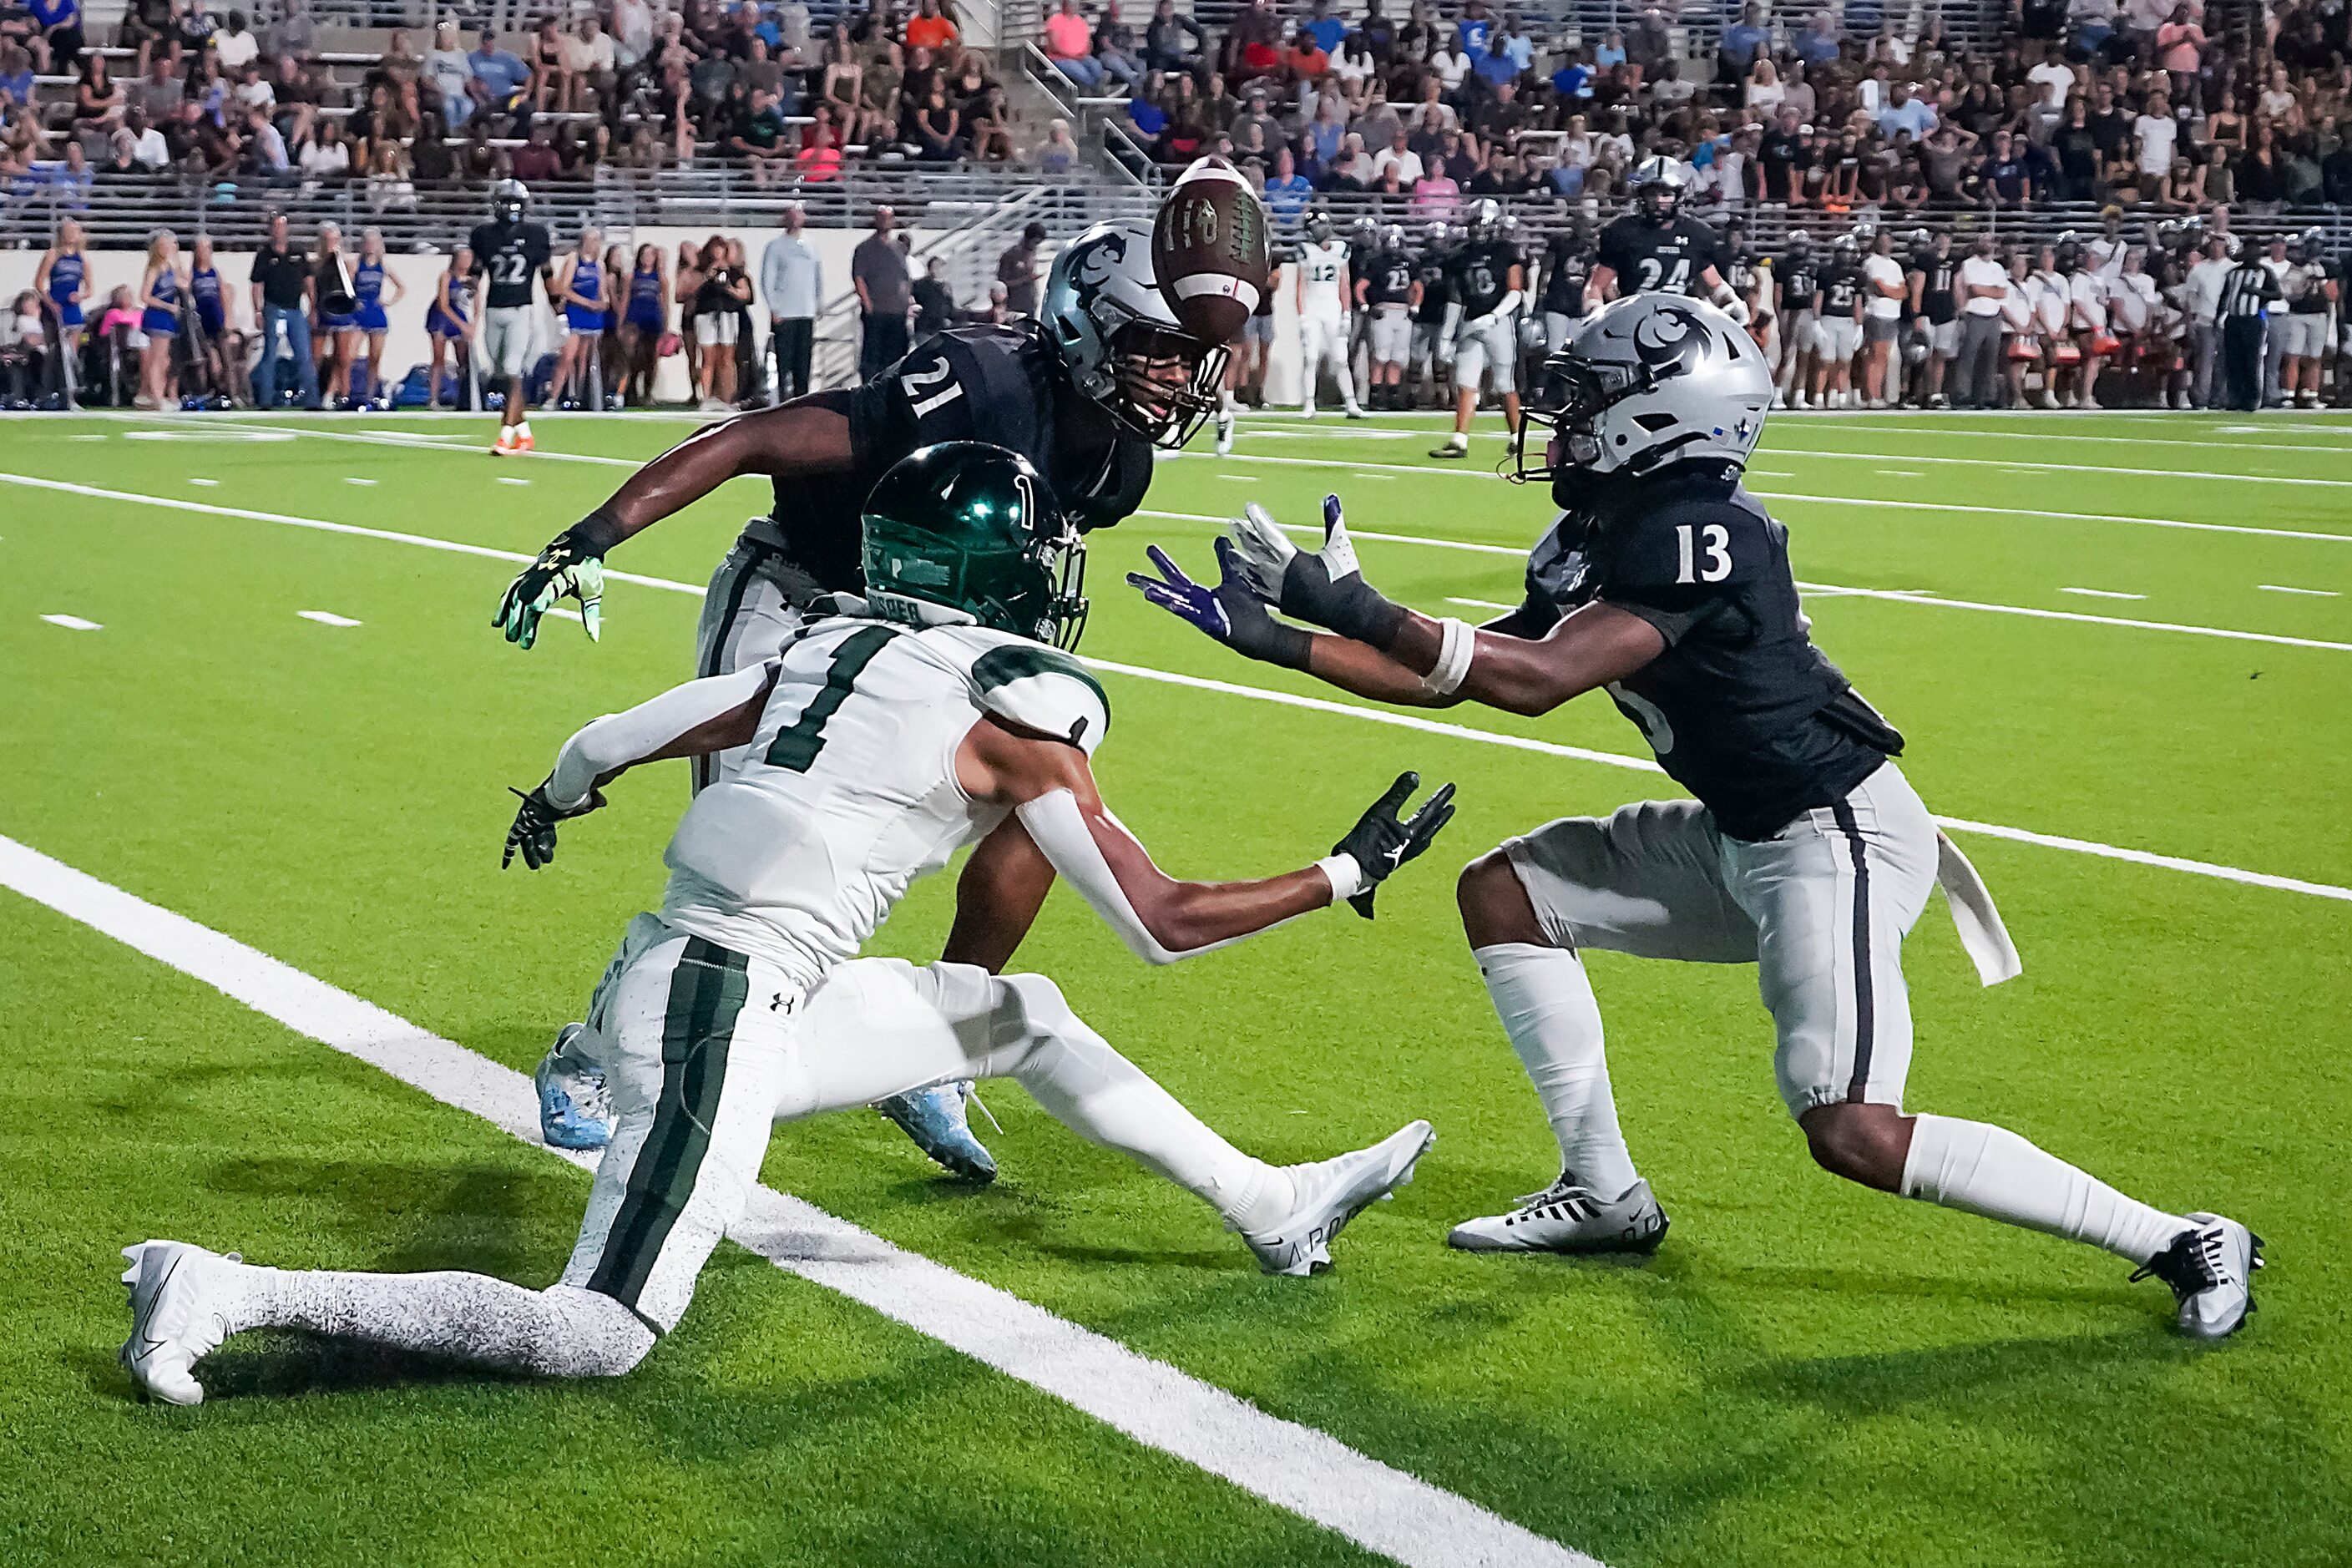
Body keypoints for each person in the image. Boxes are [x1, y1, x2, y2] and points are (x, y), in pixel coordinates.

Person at [118, 442, 1449, 1408]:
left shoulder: (828, 643)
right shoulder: (1013, 714)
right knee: (601, 1331)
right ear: (998, 569)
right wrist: (1341, 870)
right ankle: (227, 1289)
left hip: (722, 977)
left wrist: (557, 797)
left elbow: (607, 737)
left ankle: (1273, 1205)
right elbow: (1161, 921)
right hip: (719, 1009)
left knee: (1018, 1016)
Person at [1130, 293, 2263, 1342]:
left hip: (1834, 834)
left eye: (1585, 397)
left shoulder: (1702, 526)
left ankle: (2179, 1234)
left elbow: (1541, 678)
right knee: (1506, 891)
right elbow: (1465, 672)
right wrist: (1280, 637)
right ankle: (1604, 1193)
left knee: (1852, 1128)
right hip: (1739, 833)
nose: (1557, 418)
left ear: (1658, 414)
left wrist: (1364, 605)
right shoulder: (1593, 533)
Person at [488, 218, 1233, 1181]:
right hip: (800, 591)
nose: (1177, 379)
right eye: (1158, 352)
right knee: (748, 861)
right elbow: (754, 438)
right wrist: (590, 538)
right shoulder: (980, 382)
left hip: (930, 632)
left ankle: (941, 1038)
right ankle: (588, 1058)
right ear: (1088, 329)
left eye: (1187, 359)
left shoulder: (1118, 466)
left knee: (1036, 806)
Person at [1429, 200, 1523, 459]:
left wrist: (1494, 315)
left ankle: (1517, 438)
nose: (1477, 230)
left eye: (1481, 225)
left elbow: (1515, 291)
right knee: (1465, 383)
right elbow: (1455, 299)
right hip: (1471, 322)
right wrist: (1447, 336)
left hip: (1498, 323)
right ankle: (1459, 440)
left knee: (1505, 383)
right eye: (1472, 225)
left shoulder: (1507, 250)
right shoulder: (1459, 256)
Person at [469, 179, 554, 454]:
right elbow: (477, 269)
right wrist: (467, 293)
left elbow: (547, 274)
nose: (511, 207)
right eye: (506, 202)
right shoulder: (483, 234)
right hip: (494, 309)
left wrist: (560, 311)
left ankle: (505, 435)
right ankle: (524, 433)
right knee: (500, 373)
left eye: (515, 202)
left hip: (521, 308)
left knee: (513, 370)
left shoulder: (536, 234)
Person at [1293, 210, 1362, 421]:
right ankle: (1309, 403)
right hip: (1313, 307)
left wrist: (1347, 313)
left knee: (1341, 358)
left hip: (1333, 307)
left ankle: (1351, 403)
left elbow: (1344, 284)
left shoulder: (1341, 249)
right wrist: (1303, 315)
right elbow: (1300, 286)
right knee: (1311, 357)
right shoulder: (1305, 251)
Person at [250, 211, 321, 411]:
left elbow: (309, 282)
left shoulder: (298, 252)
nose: (279, 230)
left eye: (282, 226)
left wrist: (313, 307)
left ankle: (312, 400)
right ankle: (265, 400)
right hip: (274, 310)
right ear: (271, 230)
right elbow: (256, 284)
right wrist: (257, 311)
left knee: (304, 356)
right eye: (276, 226)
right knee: (270, 355)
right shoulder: (264, 255)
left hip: (295, 310)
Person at [1357, 224, 1419, 412]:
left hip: (1402, 312)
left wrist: (1415, 305)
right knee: (1380, 356)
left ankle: (1392, 396)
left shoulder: (1410, 262)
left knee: (1398, 357)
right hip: (1383, 310)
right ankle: (1375, 396)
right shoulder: (1376, 262)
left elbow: (1418, 286)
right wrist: (1366, 306)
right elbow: (1361, 287)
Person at [760, 204, 818, 401]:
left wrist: (818, 303)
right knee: (785, 362)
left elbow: (818, 277)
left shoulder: (811, 245)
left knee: (804, 362)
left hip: (806, 312)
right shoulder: (775, 246)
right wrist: (774, 308)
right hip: (785, 313)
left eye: (799, 214)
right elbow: (767, 279)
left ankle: (803, 400)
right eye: (792, 214)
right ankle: (784, 401)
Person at [2214, 242, 2278, 412]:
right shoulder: (2233, 272)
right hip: (2233, 320)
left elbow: (2277, 294)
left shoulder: (2264, 272)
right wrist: (2218, 317)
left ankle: (2251, 398)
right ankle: (2235, 396)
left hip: (2252, 320)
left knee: (2251, 360)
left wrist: (2256, 292)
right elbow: (2224, 296)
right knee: (2233, 361)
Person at [852, 205, 913, 382]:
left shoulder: (899, 248)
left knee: (896, 359)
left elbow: (904, 277)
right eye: (882, 217)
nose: (886, 221)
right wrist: (868, 304)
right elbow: (859, 277)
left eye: (889, 217)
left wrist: (906, 302)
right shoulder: (865, 248)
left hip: (897, 313)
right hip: (877, 312)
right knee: (873, 359)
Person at [549, 225, 607, 408]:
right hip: (576, 312)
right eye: (590, 240)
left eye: (596, 241)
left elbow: (602, 291)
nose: (592, 244)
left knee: (585, 359)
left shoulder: (600, 264)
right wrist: (586, 303)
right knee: (567, 356)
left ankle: (580, 397)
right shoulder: (573, 259)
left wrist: (602, 302)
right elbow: (563, 288)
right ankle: (553, 397)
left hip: (593, 315)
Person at [34, 219, 89, 402]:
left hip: (73, 309)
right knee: (55, 351)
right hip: (55, 308)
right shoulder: (53, 254)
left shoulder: (82, 257)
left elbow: (89, 288)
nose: (73, 235)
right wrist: (50, 302)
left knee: (71, 353)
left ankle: (70, 395)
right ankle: (49, 392)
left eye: (76, 231)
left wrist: (80, 297)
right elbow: (39, 283)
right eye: (69, 231)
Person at [351, 226, 402, 407]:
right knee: (349, 356)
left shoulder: (384, 265)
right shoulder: (356, 264)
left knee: (375, 358)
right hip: (358, 315)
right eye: (368, 242)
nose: (370, 246)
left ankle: (370, 394)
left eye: (374, 242)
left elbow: (401, 287)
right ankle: (345, 392)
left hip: (376, 314)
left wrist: (388, 302)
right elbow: (347, 287)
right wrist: (353, 302)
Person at [134, 228, 183, 410]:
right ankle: (156, 397)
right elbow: (145, 296)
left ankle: (157, 394)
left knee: (165, 360)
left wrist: (177, 262)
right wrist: (167, 306)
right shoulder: (154, 269)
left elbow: (183, 284)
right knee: (157, 358)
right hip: (157, 316)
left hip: (170, 318)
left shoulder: (172, 268)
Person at [312, 222, 360, 408]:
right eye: (328, 240)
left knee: (342, 357)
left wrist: (338, 258)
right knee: (315, 356)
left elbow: (349, 282)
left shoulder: (345, 263)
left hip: (342, 312)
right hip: (324, 310)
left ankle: (341, 394)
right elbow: (313, 287)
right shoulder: (317, 264)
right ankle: (313, 392)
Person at [619, 242, 669, 407]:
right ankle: (630, 391)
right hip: (635, 320)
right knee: (633, 358)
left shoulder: (660, 278)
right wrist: (621, 323)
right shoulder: (631, 277)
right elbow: (625, 299)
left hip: (653, 321)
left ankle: (648, 394)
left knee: (651, 360)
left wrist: (665, 324)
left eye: (651, 255)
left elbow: (664, 302)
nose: (648, 258)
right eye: (645, 255)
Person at [425, 245, 473, 409]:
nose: (466, 262)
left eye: (469, 258)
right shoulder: (446, 276)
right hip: (441, 318)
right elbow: (443, 305)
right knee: (439, 359)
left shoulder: (472, 279)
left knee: (464, 360)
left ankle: (464, 397)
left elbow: (477, 303)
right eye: (463, 258)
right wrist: (462, 325)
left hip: (460, 316)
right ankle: (433, 398)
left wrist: (473, 324)